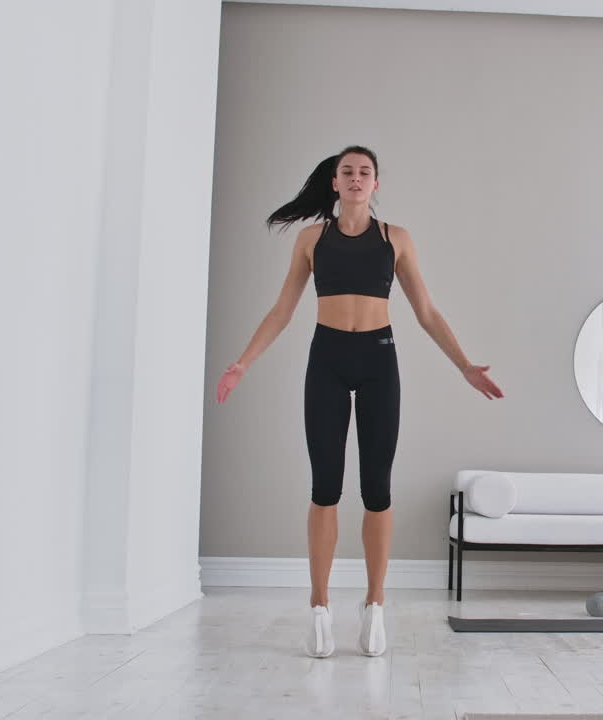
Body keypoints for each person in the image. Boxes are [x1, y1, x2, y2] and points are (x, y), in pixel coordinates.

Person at [215, 145, 504, 658]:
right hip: (326, 359)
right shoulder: (312, 239)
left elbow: (427, 311)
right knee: (325, 487)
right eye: (346, 171)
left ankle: (375, 606)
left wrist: (463, 365)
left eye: (364, 172)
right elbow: (283, 310)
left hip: (378, 361)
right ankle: (320, 607)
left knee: (376, 488)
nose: (355, 178)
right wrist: (244, 362)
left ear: (376, 185)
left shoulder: (397, 239)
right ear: (335, 182)